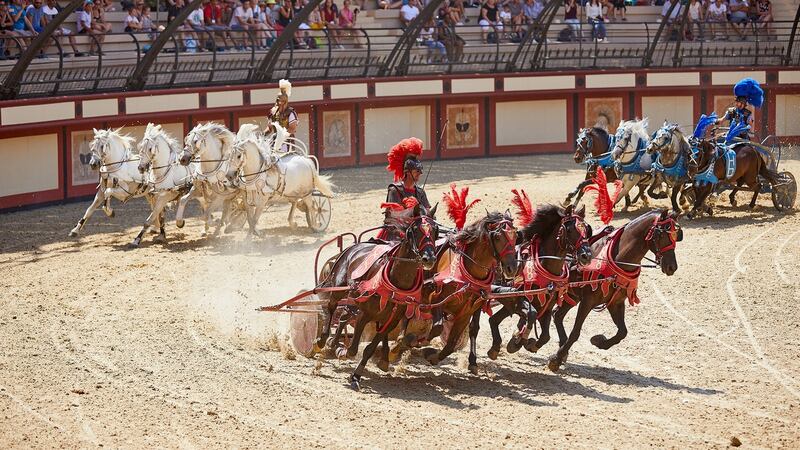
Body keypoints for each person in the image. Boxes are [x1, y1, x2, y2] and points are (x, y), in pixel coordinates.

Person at [384, 137, 431, 216]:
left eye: (420, 171)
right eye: (417, 171)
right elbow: (394, 215)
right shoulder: (395, 190)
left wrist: (424, 211)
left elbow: (428, 213)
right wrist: (411, 210)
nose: (420, 173)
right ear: (408, 172)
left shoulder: (420, 192)